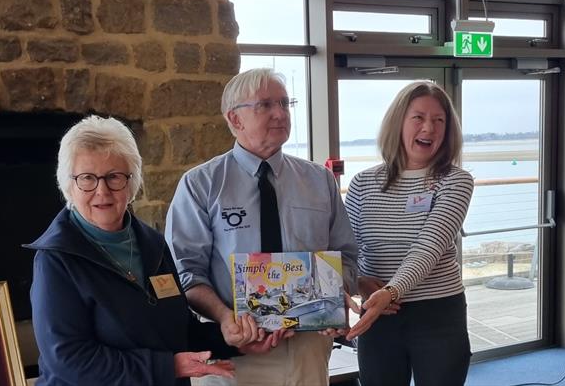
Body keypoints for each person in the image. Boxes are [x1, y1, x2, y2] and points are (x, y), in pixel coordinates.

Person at [27, 115, 265, 386]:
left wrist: (234, 340)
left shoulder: (152, 244)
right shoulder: (56, 259)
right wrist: (169, 366)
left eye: (114, 176)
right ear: (69, 185)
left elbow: (181, 332)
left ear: (132, 183)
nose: (102, 190)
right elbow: (69, 360)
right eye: (87, 178)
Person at [166, 68, 359, 386]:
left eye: (285, 103)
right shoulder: (201, 185)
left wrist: (335, 300)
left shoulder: (318, 180)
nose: (280, 113)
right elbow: (185, 273)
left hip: (307, 349)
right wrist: (225, 318)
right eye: (265, 105)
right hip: (235, 351)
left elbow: (347, 256)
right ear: (235, 119)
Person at [344, 81, 473, 386]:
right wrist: (361, 281)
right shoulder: (363, 183)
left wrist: (390, 291)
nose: (429, 127)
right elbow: (348, 248)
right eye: (418, 117)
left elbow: (428, 248)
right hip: (378, 314)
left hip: (437, 315)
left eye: (439, 120)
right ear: (398, 123)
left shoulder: (456, 181)